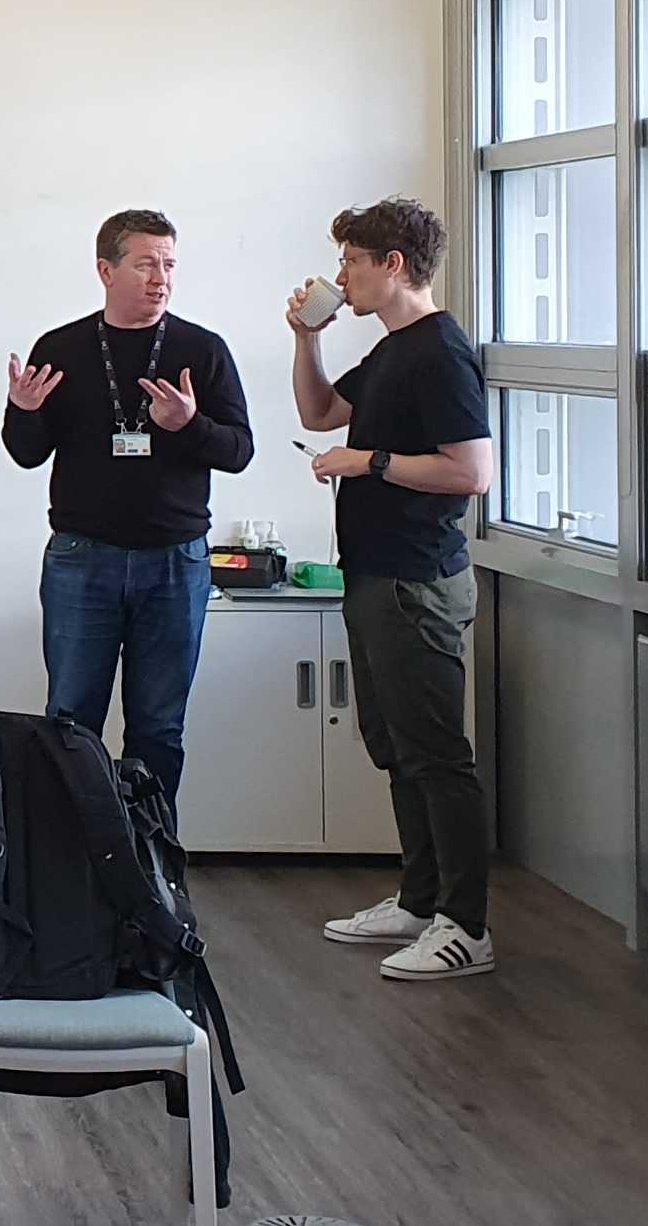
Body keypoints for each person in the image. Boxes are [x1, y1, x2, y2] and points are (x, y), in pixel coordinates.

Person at [290, 198, 499, 981]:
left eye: (350, 260)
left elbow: (471, 472)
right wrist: (305, 339)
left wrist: (367, 462)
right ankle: (419, 899)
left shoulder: (438, 352)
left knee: (437, 753)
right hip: (374, 573)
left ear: (393, 266)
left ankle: (465, 924)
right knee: (396, 748)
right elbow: (317, 410)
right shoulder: (391, 350)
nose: (340, 275)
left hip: (417, 580)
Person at [0, 210, 255, 803]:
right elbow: (26, 454)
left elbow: (240, 450)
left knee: (159, 728)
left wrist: (188, 425)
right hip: (82, 560)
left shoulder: (202, 350)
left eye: (169, 264)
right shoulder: (62, 347)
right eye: (144, 263)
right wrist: (23, 411)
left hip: (175, 562)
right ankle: (73, 867)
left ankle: (152, 864)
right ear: (105, 270)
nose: (160, 277)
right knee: (68, 722)